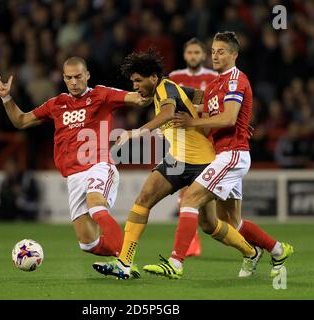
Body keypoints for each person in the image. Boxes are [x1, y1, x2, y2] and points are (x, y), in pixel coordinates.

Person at [92, 49, 260, 280]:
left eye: (138, 81)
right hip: (177, 159)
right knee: (144, 198)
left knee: (210, 225)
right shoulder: (172, 87)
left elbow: (169, 113)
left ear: (153, 77)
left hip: (202, 161)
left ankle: (251, 252)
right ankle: (125, 262)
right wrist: (219, 111)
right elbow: (204, 96)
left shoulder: (166, 90)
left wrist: (136, 133)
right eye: (133, 82)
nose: (136, 86)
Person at [0, 57, 149, 276]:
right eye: (69, 77)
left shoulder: (102, 94)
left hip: (99, 165)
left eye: (78, 76)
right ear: (63, 78)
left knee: (96, 206)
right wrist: (6, 97)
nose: (74, 82)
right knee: (89, 243)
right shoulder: (56, 104)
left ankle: (124, 262)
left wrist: (151, 87)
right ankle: (123, 259)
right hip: (73, 175)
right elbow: (21, 121)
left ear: (87, 75)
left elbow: (138, 99)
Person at [170, 31, 293, 278]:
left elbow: (228, 118)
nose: (215, 55)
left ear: (234, 54)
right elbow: (204, 109)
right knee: (231, 221)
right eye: (213, 51)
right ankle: (277, 250)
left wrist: (191, 124)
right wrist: (167, 97)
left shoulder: (236, 79)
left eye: (221, 51)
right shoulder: (216, 84)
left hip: (233, 154)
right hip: (223, 154)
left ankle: (175, 262)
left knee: (190, 199)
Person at [168, 37, 218, 257]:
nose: (193, 56)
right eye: (190, 53)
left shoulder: (214, 77)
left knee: (208, 194)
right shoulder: (174, 78)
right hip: (181, 138)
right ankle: (191, 242)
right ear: (184, 55)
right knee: (184, 189)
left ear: (203, 55)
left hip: (207, 139)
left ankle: (230, 229)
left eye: (197, 52)